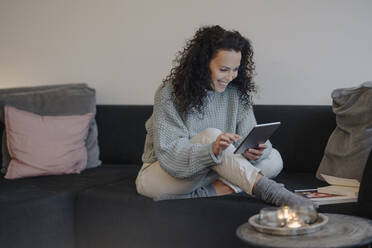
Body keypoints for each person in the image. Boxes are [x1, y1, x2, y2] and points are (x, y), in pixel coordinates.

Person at [135, 25, 313, 207]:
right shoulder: (169, 94)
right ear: (203, 64)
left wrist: (255, 151)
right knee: (212, 135)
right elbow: (170, 155)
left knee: (274, 158)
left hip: (215, 170)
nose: (230, 77)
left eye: (235, 69)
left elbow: (246, 139)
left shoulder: (236, 94)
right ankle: (272, 192)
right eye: (223, 69)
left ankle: (206, 194)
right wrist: (212, 149)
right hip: (164, 174)